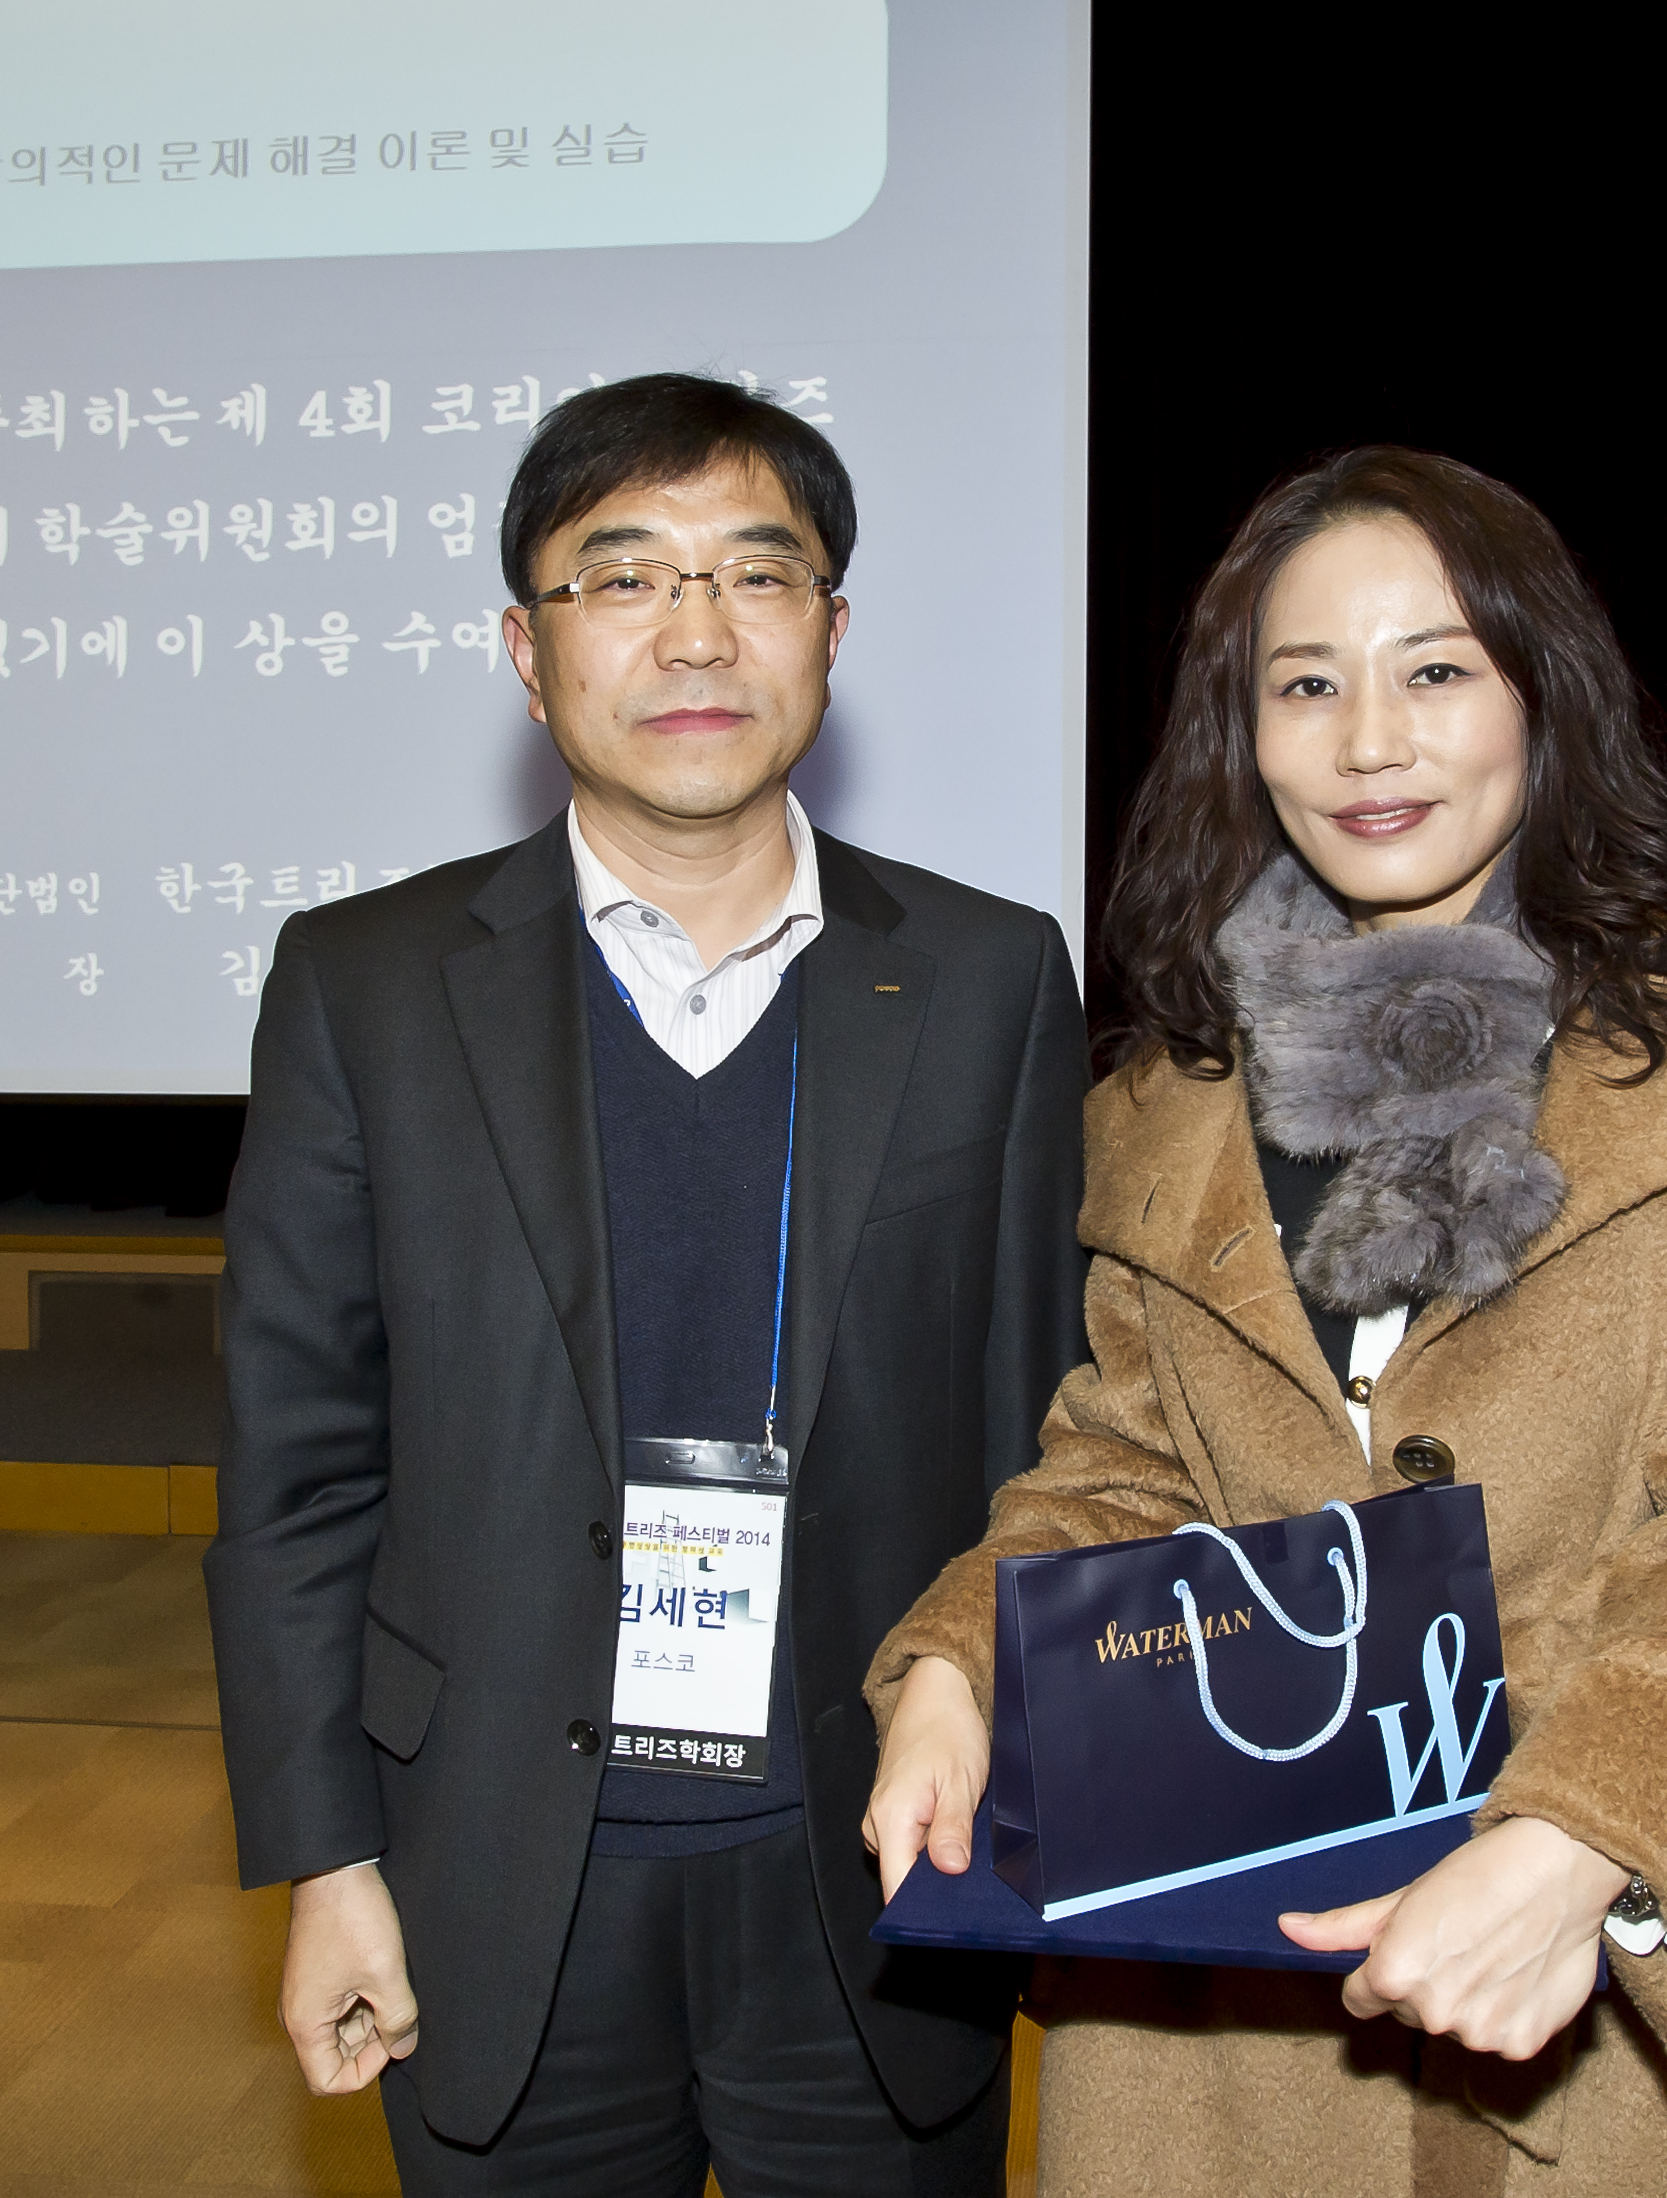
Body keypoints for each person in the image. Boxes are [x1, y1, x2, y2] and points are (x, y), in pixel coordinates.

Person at [860, 446, 1667, 2194]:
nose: (1369, 741)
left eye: (1435, 670)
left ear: (1544, 694)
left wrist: (1588, 1834)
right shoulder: (1171, 1109)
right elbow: (1124, 1470)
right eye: (1306, 686)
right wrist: (965, 1663)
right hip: (1210, 2016)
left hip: (1582, 1977)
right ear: (1243, 735)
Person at [208, 373, 1090, 2194]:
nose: (696, 633)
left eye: (756, 576)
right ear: (526, 656)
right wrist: (327, 1862)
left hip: (879, 1866)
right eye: (622, 580)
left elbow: (1050, 1436)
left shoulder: (990, 980)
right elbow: (298, 1472)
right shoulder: (366, 987)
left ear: (831, 634)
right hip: (488, 1873)